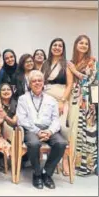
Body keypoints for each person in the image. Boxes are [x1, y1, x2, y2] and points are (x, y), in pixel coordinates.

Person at [16, 70, 67, 189]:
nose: (37, 83)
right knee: (33, 144)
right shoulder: (23, 99)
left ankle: (47, 173)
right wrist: (37, 131)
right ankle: (37, 174)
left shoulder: (51, 99)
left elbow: (56, 119)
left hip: (49, 129)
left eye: (40, 80)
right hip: (31, 130)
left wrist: (50, 131)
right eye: (34, 81)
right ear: (29, 84)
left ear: (43, 82)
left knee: (61, 143)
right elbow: (22, 119)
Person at [41, 38, 73, 176]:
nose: (57, 47)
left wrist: (62, 100)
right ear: (51, 47)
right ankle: (50, 159)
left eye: (60, 46)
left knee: (62, 128)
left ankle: (64, 159)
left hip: (61, 98)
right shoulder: (45, 64)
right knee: (47, 127)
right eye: (55, 45)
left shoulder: (66, 64)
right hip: (46, 99)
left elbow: (70, 84)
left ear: (63, 49)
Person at [67, 35, 97, 176]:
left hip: (88, 101)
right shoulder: (72, 61)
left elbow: (90, 80)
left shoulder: (92, 61)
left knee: (87, 131)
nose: (84, 45)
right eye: (81, 43)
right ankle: (74, 163)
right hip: (74, 99)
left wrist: (74, 71)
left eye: (86, 43)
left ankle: (87, 165)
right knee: (75, 131)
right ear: (76, 44)